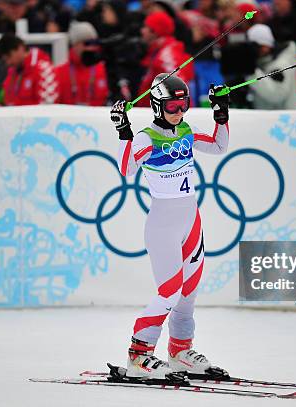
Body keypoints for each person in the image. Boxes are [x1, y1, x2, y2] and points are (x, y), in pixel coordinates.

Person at [109, 74, 230, 379]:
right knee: (169, 293)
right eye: (173, 106)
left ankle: (180, 351)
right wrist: (124, 131)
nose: (179, 112)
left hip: (191, 219)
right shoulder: (146, 137)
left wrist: (221, 114)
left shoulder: (186, 130)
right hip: (163, 224)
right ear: (157, 105)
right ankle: (139, 355)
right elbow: (127, 171)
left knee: (188, 292)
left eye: (184, 105)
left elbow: (218, 146)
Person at [137, 12, 195, 106]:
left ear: (154, 31)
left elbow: (178, 87)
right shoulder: (158, 51)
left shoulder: (168, 54)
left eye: (145, 27)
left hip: (168, 115)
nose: (142, 31)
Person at [0, 33, 59, 106]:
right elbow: (1, 98)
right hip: (14, 116)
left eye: (9, 57)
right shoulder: (12, 72)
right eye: (5, 61)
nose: (8, 63)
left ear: (20, 48)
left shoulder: (44, 69)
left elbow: (48, 108)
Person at [246, 23, 296, 110]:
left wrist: (251, 73)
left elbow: (277, 94)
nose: (254, 50)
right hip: (268, 118)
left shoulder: (281, 64)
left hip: (283, 119)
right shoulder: (262, 63)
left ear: (267, 45)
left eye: (257, 46)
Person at [55, 22, 108, 106]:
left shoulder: (104, 69)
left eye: (94, 43)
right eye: (87, 43)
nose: (92, 47)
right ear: (75, 44)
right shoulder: (59, 72)